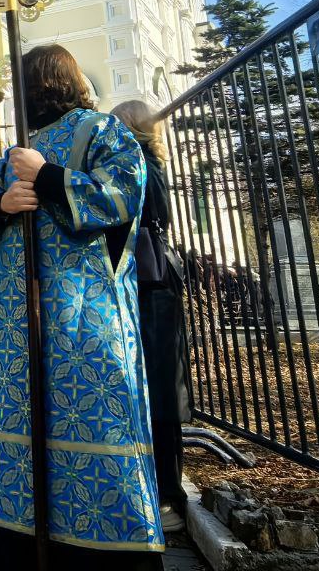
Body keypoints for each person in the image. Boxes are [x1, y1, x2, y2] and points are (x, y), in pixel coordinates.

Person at [0, 44, 163, 571]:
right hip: (17, 316)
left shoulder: (100, 130)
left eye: (26, 84)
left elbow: (124, 194)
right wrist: (3, 204)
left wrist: (48, 177)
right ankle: (11, 544)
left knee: (92, 417)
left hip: (84, 308)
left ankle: (101, 551)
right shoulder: (22, 147)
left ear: (43, 84)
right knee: (14, 415)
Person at [113, 100, 188, 533]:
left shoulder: (137, 163)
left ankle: (168, 495)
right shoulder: (149, 161)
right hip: (152, 278)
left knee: (157, 387)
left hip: (150, 282)